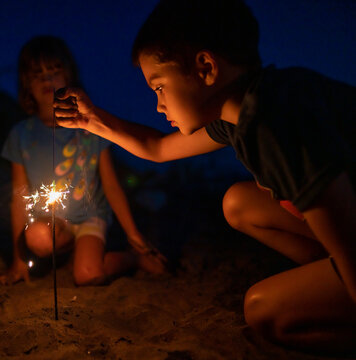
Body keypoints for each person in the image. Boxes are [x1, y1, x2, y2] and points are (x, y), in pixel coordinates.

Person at [54, 0, 356, 354]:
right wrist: (92, 120)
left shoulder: (273, 124)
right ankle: (326, 271)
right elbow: (157, 148)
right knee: (238, 203)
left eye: (160, 87)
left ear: (206, 67)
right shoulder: (243, 112)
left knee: (262, 311)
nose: (158, 105)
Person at [0, 35, 166, 287]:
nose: (47, 79)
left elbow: (111, 184)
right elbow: (18, 197)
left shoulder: (90, 128)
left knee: (88, 275)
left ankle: (131, 259)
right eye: (37, 73)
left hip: (91, 215)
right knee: (37, 238)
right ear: (26, 83)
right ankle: (68, 251)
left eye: (54, 71)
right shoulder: (21, 135)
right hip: (54, 223)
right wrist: (19, 261)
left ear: (69, 76)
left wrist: (134, 235)